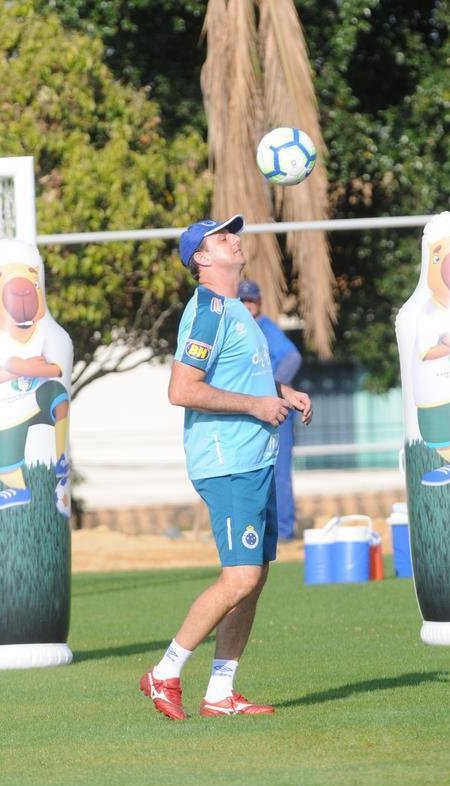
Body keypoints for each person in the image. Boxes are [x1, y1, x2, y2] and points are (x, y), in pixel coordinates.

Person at [140, 215, 313, 720]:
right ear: (201, 258)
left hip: (255, 457)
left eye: (233, 233)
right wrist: (257, 407)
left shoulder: (238, 311)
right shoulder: (209, 311)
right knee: (238, 578)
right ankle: (165, 672)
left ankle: (220, 691)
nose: (234, 239)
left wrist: (282, 393)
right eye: (222, 237)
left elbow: (244, 380)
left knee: (253, 578)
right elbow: (182, 390)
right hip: (227, 461)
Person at [237, 279, 302, 539]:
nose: (247, 305)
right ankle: (262, 529)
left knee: (279, 472)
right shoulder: (239, 329)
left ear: (259, 303)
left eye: (250, 300)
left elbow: (292, 357)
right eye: (242, 301)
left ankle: (284, 531)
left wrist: (271, 388)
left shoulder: (265, 328)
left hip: (277, 411)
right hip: (253, 411)